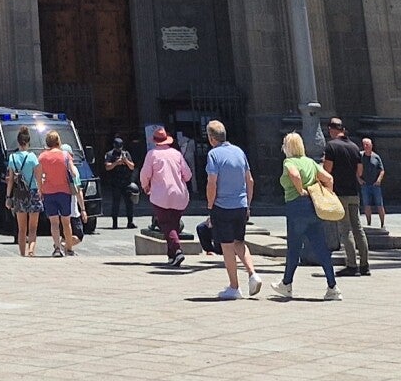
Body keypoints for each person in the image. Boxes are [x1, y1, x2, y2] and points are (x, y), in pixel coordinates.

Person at [271, 132, 339, 302]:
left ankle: (286, 284)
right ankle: (333, 287)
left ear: (288, 147)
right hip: (313, 207)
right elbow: (329, 178)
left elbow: (294, 175)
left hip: (296, 207)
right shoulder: (310, 162)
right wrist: (326, 195)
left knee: (294, 247)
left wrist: (300, 190)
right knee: (321, 247)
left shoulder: (289, 162)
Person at [202, 121, 260, 299]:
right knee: (239, 242)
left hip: (223, 206)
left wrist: (210, 204)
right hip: (241, 205)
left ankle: (234, 287)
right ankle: (252, 274)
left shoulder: (213, 154)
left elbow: (212, 182)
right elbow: (250, 180)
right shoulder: (239, 152)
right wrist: (248, 203)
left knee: (227, 246)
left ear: (211, 138)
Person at [140, 127, 192, 268]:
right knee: (174, 224)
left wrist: (145, 186)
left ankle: (177, 250)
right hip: (179, 194)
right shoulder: (176, 154)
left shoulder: (152, 155)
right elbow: (188, 175)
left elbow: (145, 174)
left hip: (161, 195)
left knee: (165, 224)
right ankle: (171, 255)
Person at [323, 119, 369, 276]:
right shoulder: (354, 147)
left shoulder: (331, 146)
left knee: (345, 228)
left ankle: (351, 265)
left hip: (339, 193)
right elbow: (360, 171)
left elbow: (327, 170)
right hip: (354, 192)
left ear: (332, 130)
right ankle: (365, 265)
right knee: (358, 228)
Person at [36, 128, 82, 259]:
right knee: (66, 222)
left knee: (54, 222)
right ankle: (69, 248)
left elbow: (39, 176)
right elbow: (73, 172)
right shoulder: (65, 155)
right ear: (58, 141)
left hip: (49, 192)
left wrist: (40, 189)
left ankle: (57, 248)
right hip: (64, 192)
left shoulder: (42, 157)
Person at [6, 129, 41, 257]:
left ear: (18, 142)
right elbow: (38, 176)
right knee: (33, 227)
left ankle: (22, 254)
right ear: (28, 142)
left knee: (21, 229)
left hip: (19, 194)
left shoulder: (12, 158)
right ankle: (31, 250)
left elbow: (10, 180)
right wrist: (41, 191)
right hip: (33, 192)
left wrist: (8, 196)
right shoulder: (32, 157)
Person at [100, 137, 138, 229]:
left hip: (126, 182)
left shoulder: (126, 154)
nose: (119, 149)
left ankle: (130, 222)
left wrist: (125, 161)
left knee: (129, 203)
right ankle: (115, 223)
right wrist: (116, 163)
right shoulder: (110, 154)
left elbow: (132, 166)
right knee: (116, 203)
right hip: (115, 182)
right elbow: (107, 167)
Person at [358, 137, 387, 231]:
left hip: (375, 185)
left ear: (371, 146)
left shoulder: (376, 157)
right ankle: (368, 224)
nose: (366, 146)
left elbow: (382, 170)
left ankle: (382, 224)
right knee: (367, 205)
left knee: (379, 205)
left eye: (367, 145)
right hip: (365, 184)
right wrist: (359, 179)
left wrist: (379, 180)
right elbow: (356, 168)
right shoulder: (360, 156)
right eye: (364, 145)